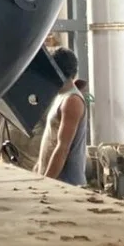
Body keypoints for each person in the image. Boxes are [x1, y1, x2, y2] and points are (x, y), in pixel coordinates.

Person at [33, 47, 87, 186]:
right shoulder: (60, 96)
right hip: (55, 180)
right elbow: (50, 140)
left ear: (55, 70)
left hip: (67, 184)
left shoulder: (71, 101)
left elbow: (62, 149)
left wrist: (47, 182)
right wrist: (38, 170)